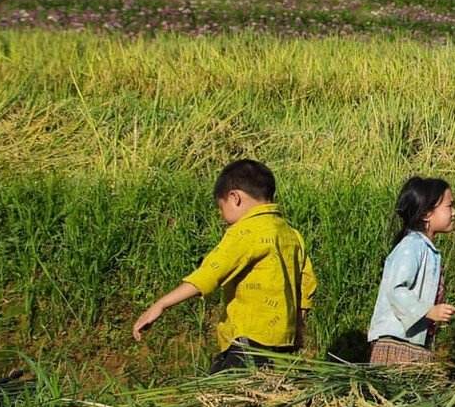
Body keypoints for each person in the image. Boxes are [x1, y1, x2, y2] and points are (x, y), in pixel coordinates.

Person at [132, 158, 317, 373]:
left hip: (249, 340)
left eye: (221, 208)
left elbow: (210, 273)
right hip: (281, 342)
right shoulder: (291, 234)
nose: (223, 217)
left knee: (222, 397)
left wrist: (161, 304)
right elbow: (307, 284)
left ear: (234, 197)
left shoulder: (245, 231)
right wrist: (296, 326)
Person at [366, 177, 455, 364]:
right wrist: (428, 311)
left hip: (412, 343)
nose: (454, 212)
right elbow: (396, 290)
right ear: (426, 213)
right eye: (449, 206)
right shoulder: (411, 246)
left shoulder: (426, 249)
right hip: (396, 344)